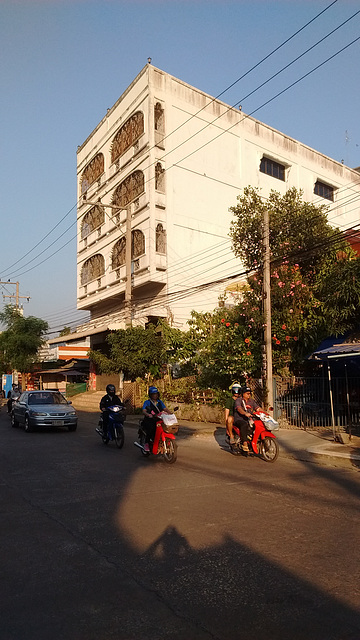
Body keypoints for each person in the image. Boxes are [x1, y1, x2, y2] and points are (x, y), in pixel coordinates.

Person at [142, 386, 172, 452]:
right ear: (150, 395)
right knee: (151, 429)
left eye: (156, 394)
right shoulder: (147, 402)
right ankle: (146, 443)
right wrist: (148, 414)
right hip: (150, 419)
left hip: (159, 419)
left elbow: (165, 409)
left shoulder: (160, 402)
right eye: (153, 394)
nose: (155, 395)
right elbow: (144, 410)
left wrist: (170, 413)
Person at [233, 386, 261, 452]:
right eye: (247, 393)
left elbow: (258, 408)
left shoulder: (251, 401)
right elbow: (239, 409)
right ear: (243, 394)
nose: (249, 395)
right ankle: (244, 443)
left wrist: (265, 413)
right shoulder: (238, 400)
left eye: (250, 393)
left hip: (249, 419)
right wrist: (245, 413)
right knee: (244, 425)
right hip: (239, 419)